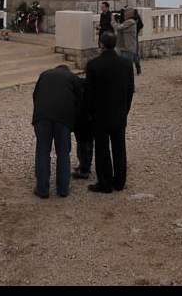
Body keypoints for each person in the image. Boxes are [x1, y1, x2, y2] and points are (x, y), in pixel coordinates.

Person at [85, 31, 136, 194]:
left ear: (101, 44)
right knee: (119, 148)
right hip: (119, 113)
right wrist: (125, 109)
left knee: (102, 149)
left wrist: (91, 112)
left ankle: (105, 183)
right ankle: (120, 181)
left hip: (100, 114)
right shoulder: (126, 64)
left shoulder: (93, 64)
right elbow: (129, 90)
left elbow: (89, 93)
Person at [31, 63, 83, 199]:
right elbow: (79, 102)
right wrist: (74, 123)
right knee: (63, 153)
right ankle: (63, 189)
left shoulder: (44, 74)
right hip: (63, 119)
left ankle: (42, 189)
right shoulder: (73, 78)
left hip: (42, 117)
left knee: (42, 152)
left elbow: (35, 95)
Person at [71, 73, 94, 181]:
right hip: (90, 119)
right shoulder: (88, 88)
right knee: (88, 144)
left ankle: (84, 169)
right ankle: (85, 166)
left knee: (83, 144)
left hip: (82, 120)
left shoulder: (78, 89)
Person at [112, 7, 140, 74]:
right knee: (123, 68)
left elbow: (118, 28)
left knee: (126, 68)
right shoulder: (127, 21)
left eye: (125, 11)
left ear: (130, 13)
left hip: (127, 48)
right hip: (124, 48)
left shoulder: (130, 22)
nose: (124, 13)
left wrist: (112, 21)